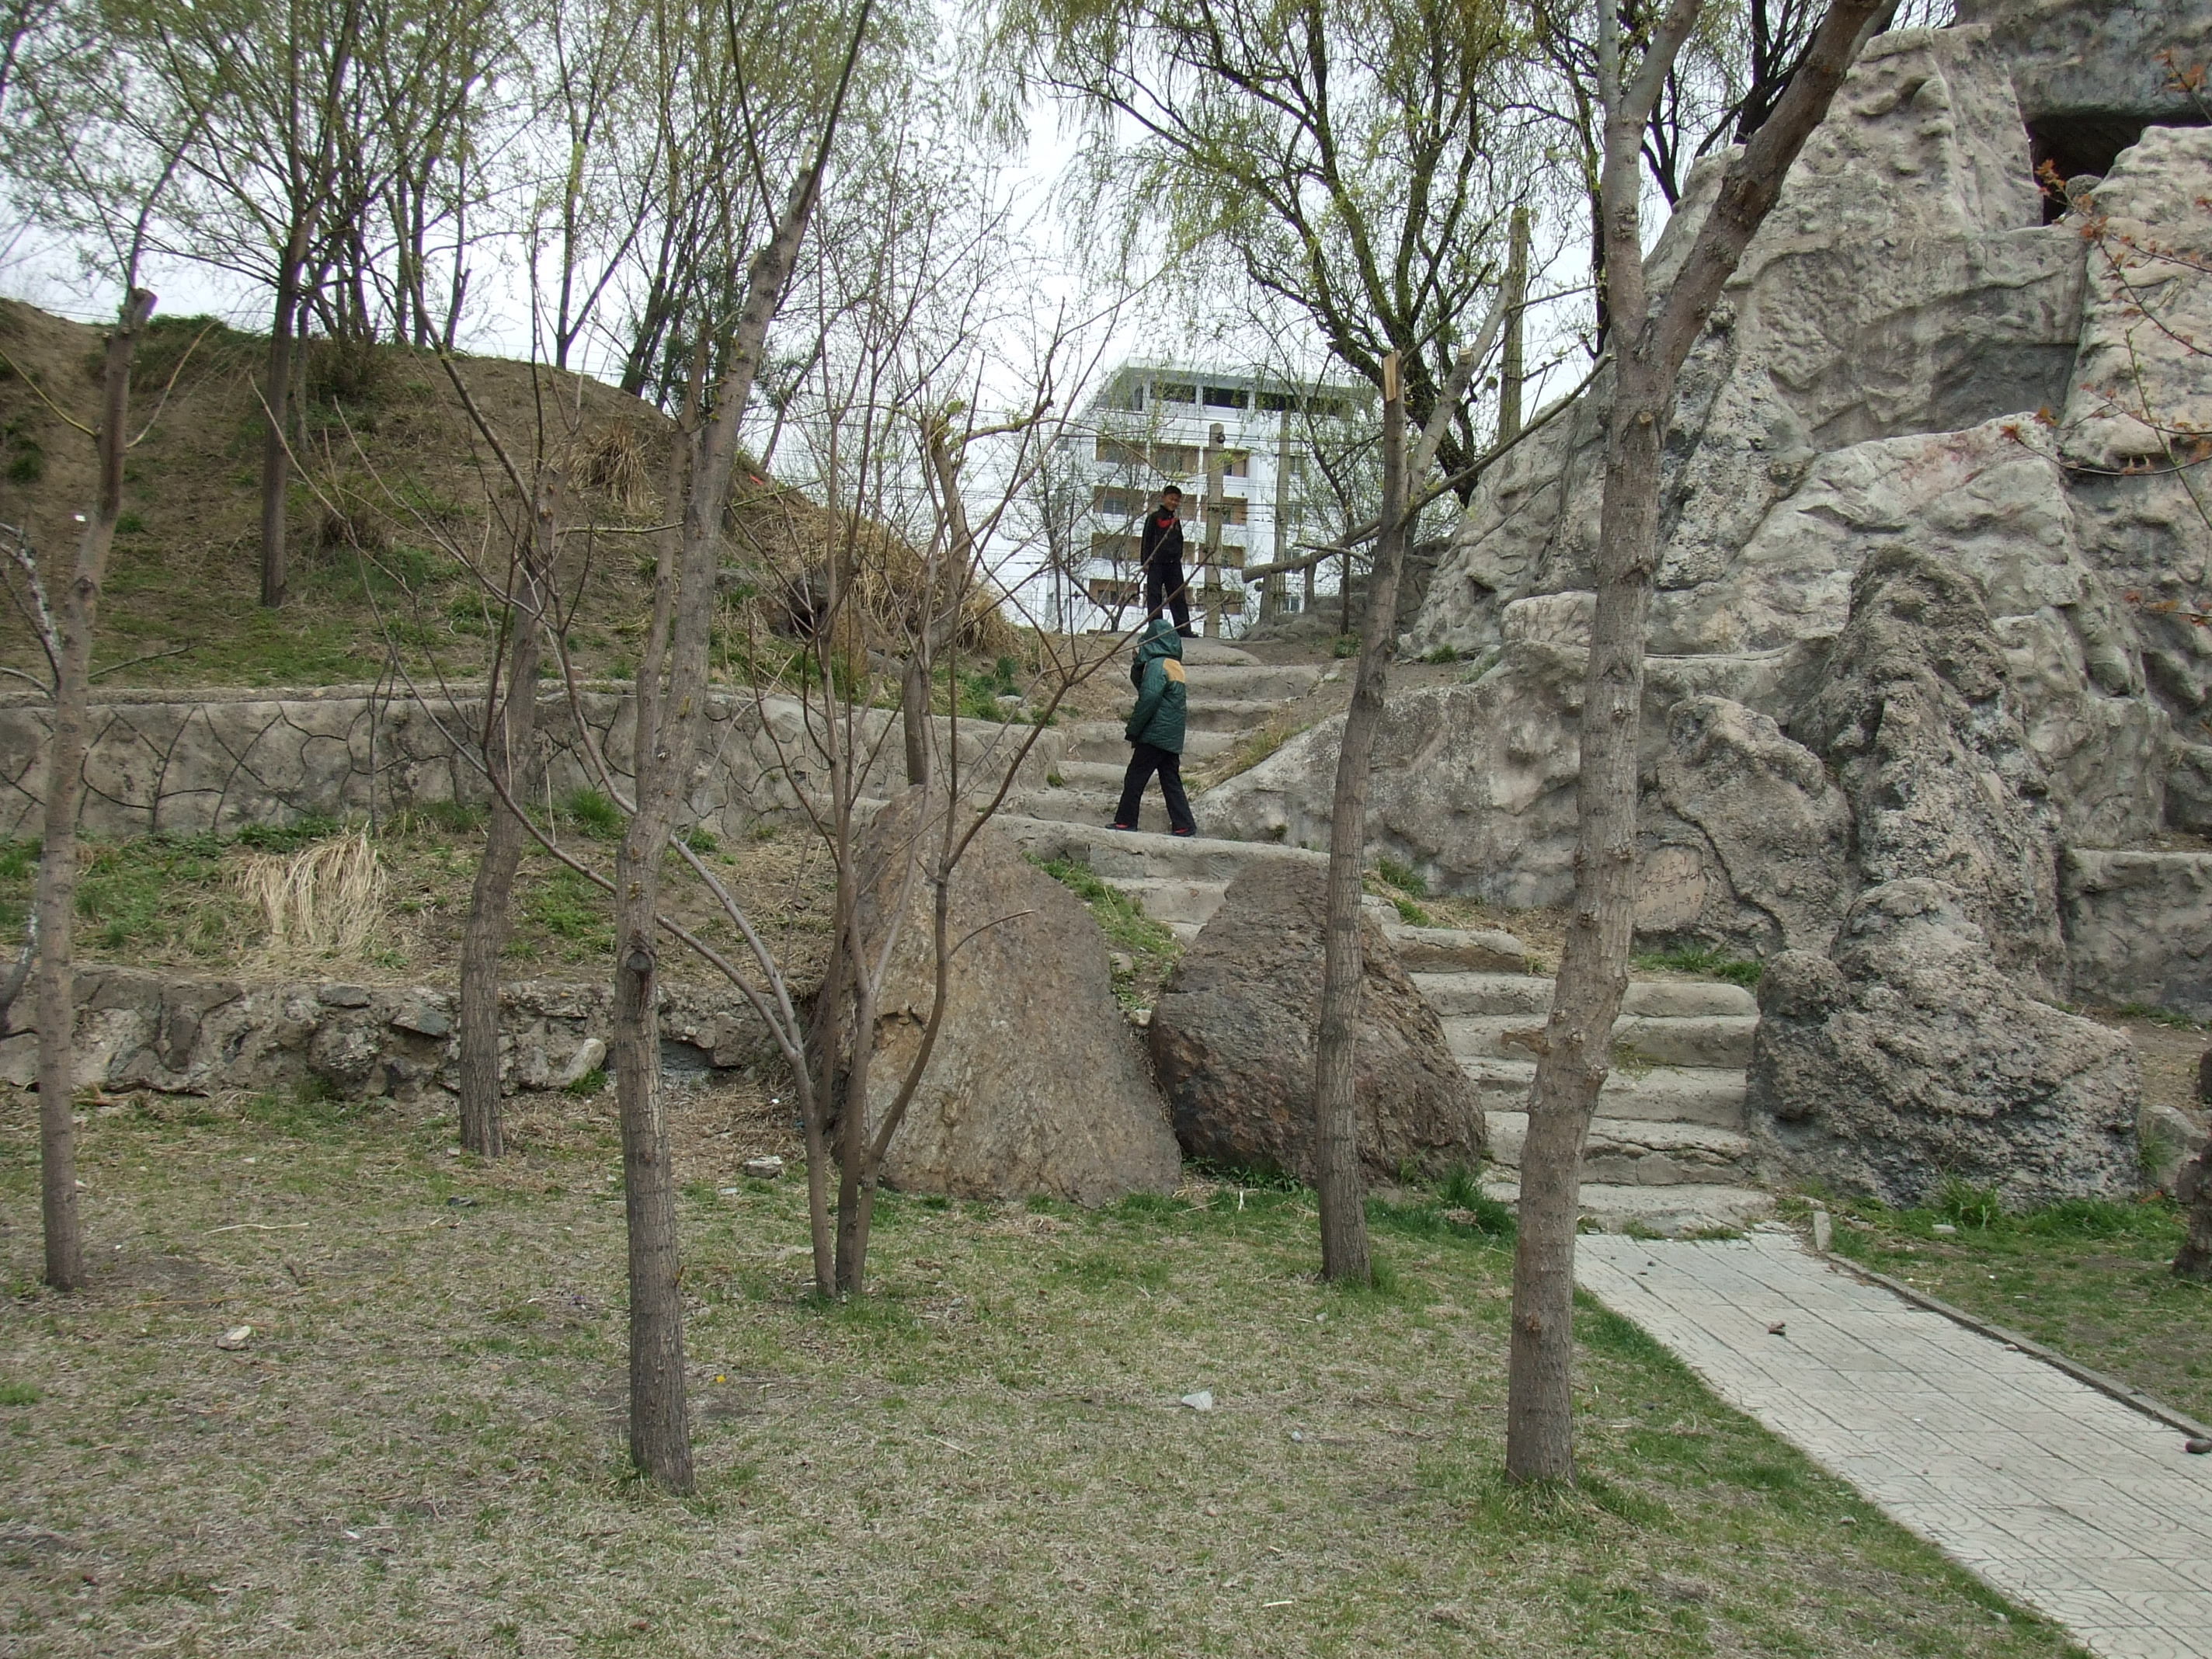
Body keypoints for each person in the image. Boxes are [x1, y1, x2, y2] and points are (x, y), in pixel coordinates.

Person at [1112, 617, 1196, 836]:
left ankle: (1125, 821)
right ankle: (1184, 824)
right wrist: (1140, 665)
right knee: (1170, 780)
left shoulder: (1157, 665)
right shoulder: (1174, 666)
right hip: (1172, 736)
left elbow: (1148, 696)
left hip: (1154, 734)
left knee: (1135, 777)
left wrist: (1133, 730)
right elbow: (1147, 687)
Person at [1140, 485, 1195, 638]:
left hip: (1174, 566)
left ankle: (1183, 629)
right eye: (1171, 498)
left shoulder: (1176, 521)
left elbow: (1180, 541)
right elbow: (1146, 540)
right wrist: (1145, 562)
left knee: (1178, 596)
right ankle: (1156, 630)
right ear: (1164, 498)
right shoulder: (1154, 518)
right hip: (1156, 564)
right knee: (1154, 596)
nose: (1174, 502)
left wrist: (1178, 557)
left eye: (1177, 500)